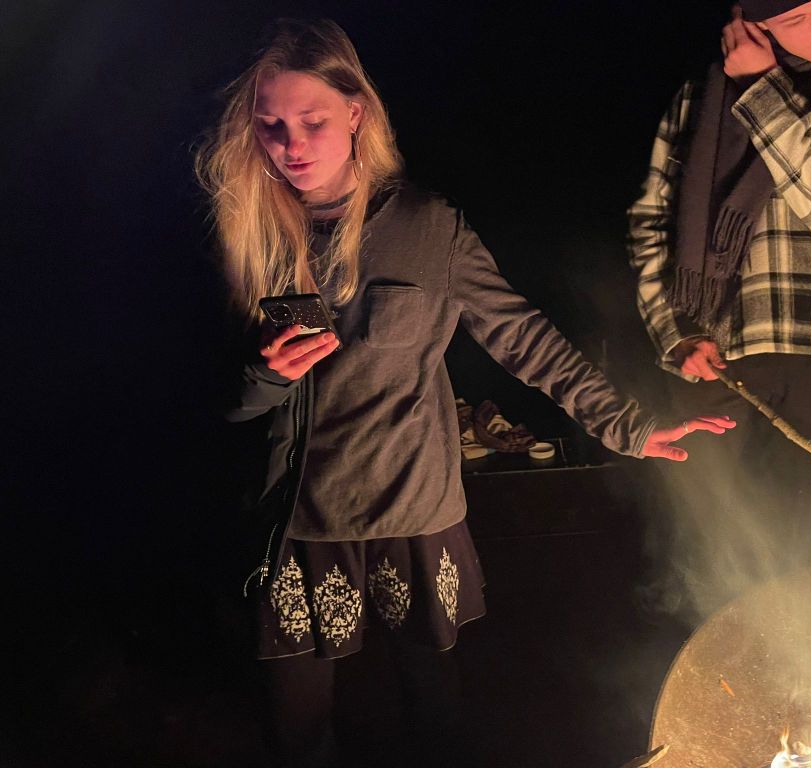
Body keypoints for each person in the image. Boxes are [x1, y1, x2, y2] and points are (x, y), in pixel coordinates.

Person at [195, 18, 734, 767]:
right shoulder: (249, 235)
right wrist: (267, 375)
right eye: (271, 125)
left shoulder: (428, 228)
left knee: (432, 711)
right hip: (301, 519)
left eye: (312, 120)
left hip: (414, 512)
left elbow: (523, 337)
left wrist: (628, 426)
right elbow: (222, 403)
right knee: (298, 726)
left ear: (356, 112)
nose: (292, 145)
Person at [627, 0, 811, 615]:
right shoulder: (701, 96)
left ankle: (796, 665)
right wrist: (672, 331)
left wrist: (763, 87)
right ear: (754, 20)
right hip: (710, 346)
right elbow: (651, 217)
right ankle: (705, 668)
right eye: (796, 17)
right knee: (706, 539)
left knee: (800, 540)